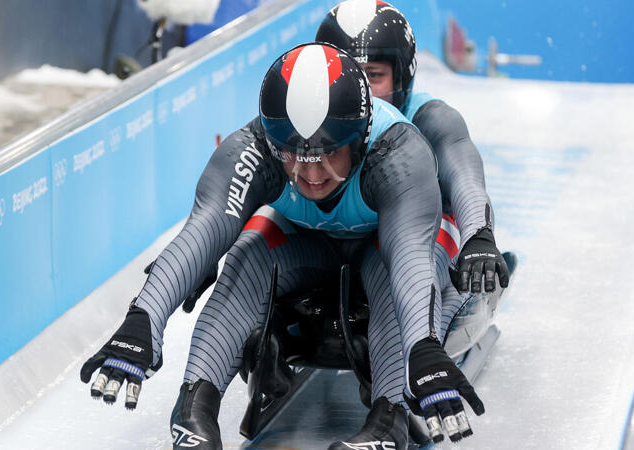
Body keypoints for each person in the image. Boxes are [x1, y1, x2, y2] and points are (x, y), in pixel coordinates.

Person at [80, 42, 484, 449]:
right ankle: (194, 409)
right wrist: (142, 320)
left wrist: (424, 349)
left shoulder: (397, 153)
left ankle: (389, 418)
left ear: (359, 140)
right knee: (246, 249)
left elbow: (409, 262)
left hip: (380, 248)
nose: (310, 171)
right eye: (293, 151)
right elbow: (201, 230)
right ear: (273, 139)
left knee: (410, 267)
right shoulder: (252, 145)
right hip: (305, 245)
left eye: (328, 151)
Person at [312, 1, 512, 445]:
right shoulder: (306, 125)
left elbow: (462, 172)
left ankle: (396, 402)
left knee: (408, 249)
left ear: (403, 79)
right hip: (331, 254)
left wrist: (479, 233)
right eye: (348, 74)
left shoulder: (432, 117)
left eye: (374, 76)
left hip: (409, 259)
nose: (359, 92)